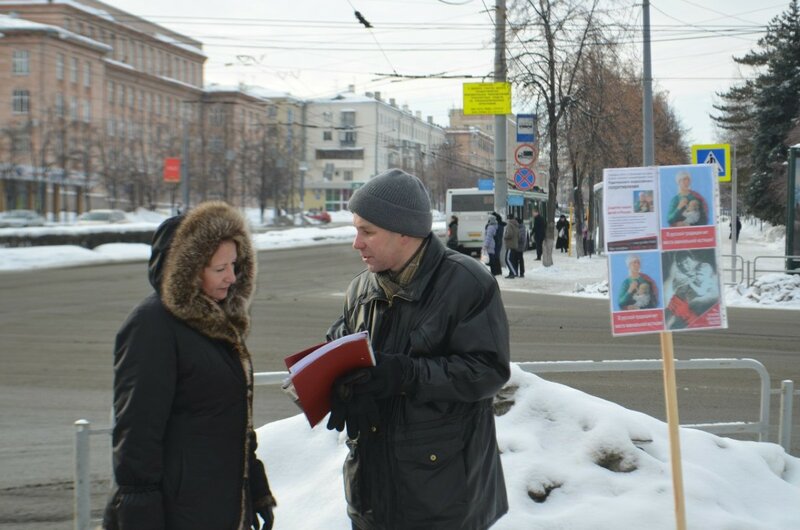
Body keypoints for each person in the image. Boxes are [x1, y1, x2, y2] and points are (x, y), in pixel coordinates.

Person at [324, 169, 510, 530]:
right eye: (355, 229)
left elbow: (488, 371)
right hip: (371, 496)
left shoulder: (467, 283)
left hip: (442, 497)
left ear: (404, 233)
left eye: (367, 231)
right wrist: (341, 384)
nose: (356, 243)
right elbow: (338, 342)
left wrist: (405, 374)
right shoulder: (360, 288)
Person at [103, 201, 276, 530]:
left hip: (217, 505)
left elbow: (229, 419)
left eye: (235, 265)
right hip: (176, 512)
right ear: (189, 270)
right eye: (219, 268)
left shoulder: (216, 323)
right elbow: (137, 435)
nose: (231, 277)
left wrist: (254, 487)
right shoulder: (152, 326)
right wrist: (140, 516)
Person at [503, 213, 520, 278]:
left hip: (510, 244)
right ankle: (511, 273)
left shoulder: (509, 224)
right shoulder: (516, 224)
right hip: (514, 244)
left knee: (507, 259)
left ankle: (513, 273)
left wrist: (505, 236)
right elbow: (518, 235)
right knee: (511, 259)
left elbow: (510, 234)